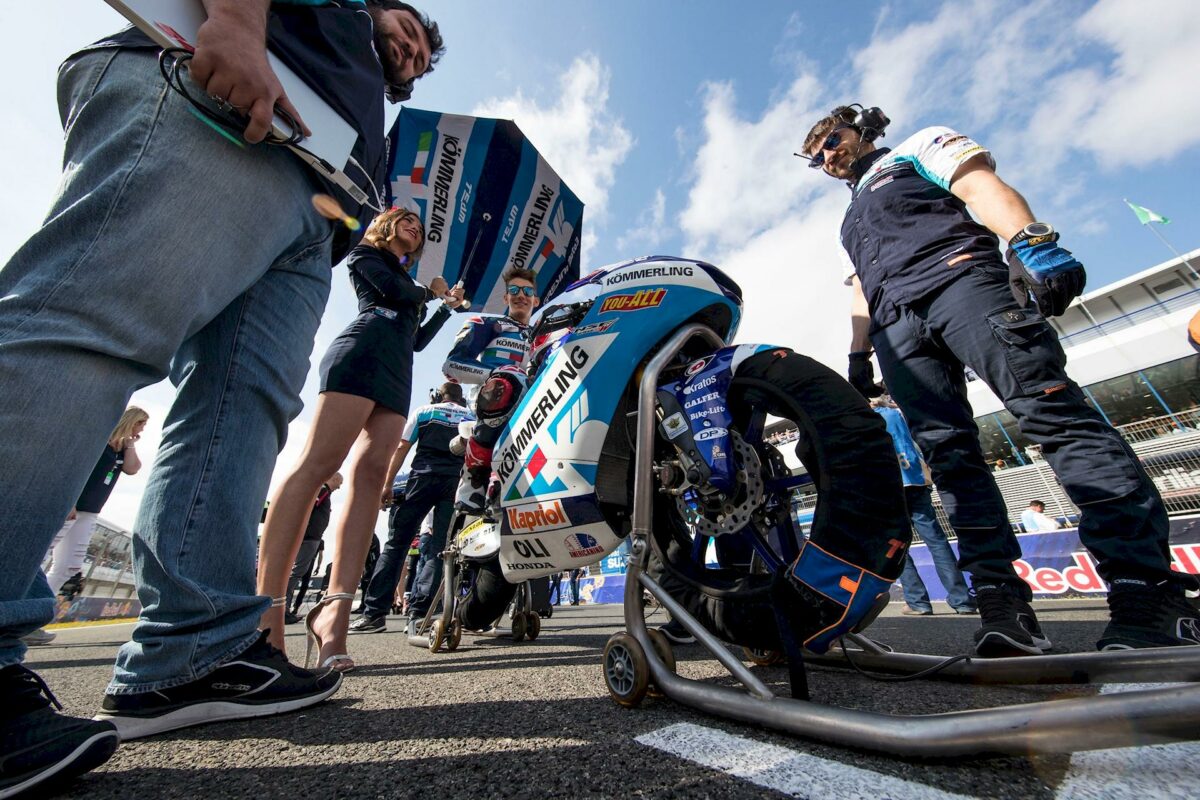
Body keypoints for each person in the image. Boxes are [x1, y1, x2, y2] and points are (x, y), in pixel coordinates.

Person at [0, 3, 447, 782]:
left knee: (241, 412)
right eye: (400, 24)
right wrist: (239, 23)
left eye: (418, 50)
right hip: (225, 100)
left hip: (314, 205)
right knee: (90, 326)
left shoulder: (371, 99)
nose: (407, 46)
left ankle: (194, 649)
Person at [801, 104, 1198, 656]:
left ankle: (1150, 596)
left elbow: (979, 186)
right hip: (897, 325)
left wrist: (1028, 238)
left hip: (961, 280)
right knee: (950, 457)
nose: (825, 155)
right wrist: (858, 352)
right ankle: (1002, 608)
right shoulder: (850, 220)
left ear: (862, 129)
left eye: (831, 139)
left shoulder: (918, 147)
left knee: (1052, 415)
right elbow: (862, 288)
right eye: (815, 154)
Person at [257, 208, 466, 672]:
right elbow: (395, 293)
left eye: (421, 228)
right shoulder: (365, 255)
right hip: (360, 353)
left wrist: (444, 309)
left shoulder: (409, 283)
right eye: (408, 221)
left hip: (397, 369)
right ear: (388, 225)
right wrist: (432, 292)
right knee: (317, 465)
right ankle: (266, 615)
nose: (416, 229)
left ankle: (335, 614)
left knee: (370, 477)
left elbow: (416, 339)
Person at [350, 382, 473, 632]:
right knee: (440, 549)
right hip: (454, 483)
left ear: (438, 395)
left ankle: (374, 613)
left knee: (396, 545)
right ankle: (421, 615)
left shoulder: (424, 411)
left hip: (421, 480)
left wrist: (387, 484)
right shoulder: (471, 417)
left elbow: (402, 446)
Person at [24, 408, 151, 646]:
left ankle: (32, 621)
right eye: (140, 424)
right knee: (36, 557)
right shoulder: (97, 440)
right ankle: (18, 611)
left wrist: (130, 444)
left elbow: (133, 469)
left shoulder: (122, 449)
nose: (142, 430)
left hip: (90, 511)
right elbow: (70, 469)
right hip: (69, 506)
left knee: (69, 566)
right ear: (130, 421)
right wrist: (69, 499)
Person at [443, 268, 540, 510]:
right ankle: (473, 480)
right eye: (514, 290)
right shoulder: (487, 322)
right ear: (505, 298)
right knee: (512, 376)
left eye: (527, 291)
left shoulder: (546, 334)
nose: (521, 295)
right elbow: (451, 366)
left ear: (536, 300)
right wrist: (498, 374)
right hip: (490, 401)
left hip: (534, 406)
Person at [871, 396, 977, 616]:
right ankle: (961, 599)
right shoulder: (899, 413)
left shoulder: (865, 419)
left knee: (897, 546)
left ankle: (917, 601)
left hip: (887, 483)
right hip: (915, 478)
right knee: (936, 540)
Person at [283, 473, 343, 625]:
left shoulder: (323, 491)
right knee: (296, 573)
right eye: (339, 482)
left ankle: (284, 609)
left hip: (310, 537)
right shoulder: (322, 490)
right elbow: (306, 508)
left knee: (296, 573)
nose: (340, 486)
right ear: (334, 478)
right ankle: (283, 610)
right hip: (308, 538)